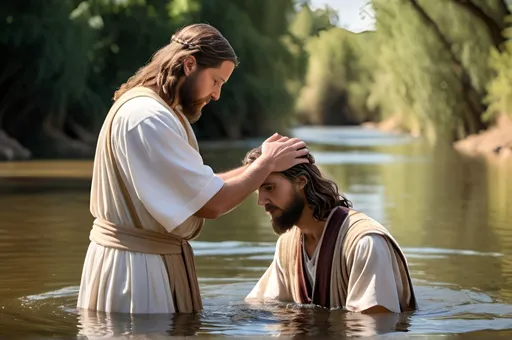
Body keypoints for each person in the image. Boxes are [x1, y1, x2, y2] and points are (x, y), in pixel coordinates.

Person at [76, 23, 310, 315]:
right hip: (136, 272)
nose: (216, 95)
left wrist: (257, 163)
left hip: (140, 261)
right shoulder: (148, 118)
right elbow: (212, 203)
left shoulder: (155, 111)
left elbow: (202, 187)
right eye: (216, 81)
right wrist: (266, 165)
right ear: (189, 65)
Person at [242, 147, 418, 314]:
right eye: (258, 191)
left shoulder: (365, 243)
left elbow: (373, 325)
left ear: (301, 182)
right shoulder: (287, 244)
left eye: (270, 188)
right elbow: (264, 305)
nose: (262, 201)